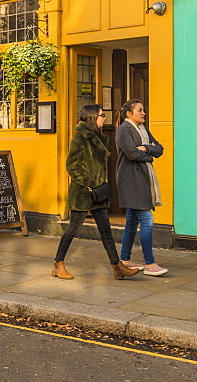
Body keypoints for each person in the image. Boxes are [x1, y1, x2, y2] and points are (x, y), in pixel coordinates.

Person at [53, 104, 141, 280]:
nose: (104, 118)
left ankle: (117, 266)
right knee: (73, 229)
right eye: (101, 115)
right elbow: (72, 166)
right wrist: (90, 184)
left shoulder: (98, 138)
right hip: (83, 192)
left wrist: (98, 186)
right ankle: (58, 264)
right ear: (93, 117)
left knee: (106, 230)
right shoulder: (80, 138)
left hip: (98, 193)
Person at [116, 100, 169, 276]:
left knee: (132, 221)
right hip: (131, 180)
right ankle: (150, 263)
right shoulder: (123, 130)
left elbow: (160, 149)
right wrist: (149, 154)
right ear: (128, 114)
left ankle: (124, 259)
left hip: (143, 178)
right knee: (147, 219)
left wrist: (146, 147)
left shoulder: (143, 130)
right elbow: (132, 154)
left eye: (143, 110)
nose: (143, 113)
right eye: (140, 110)